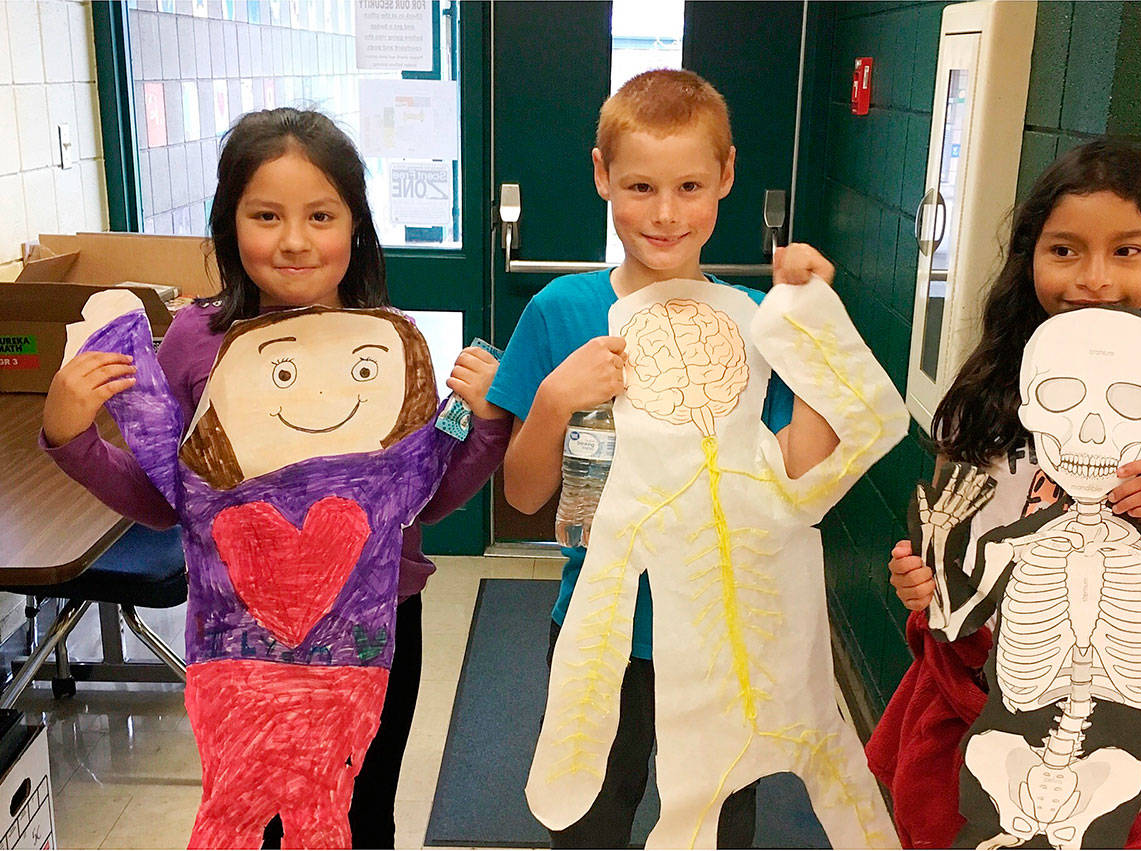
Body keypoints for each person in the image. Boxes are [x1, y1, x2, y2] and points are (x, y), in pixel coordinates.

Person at [40, 107, 510, 848]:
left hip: (374, 631)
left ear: (355, 226)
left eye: (320, 214)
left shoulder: (385, 348)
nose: (294, 239)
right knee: (253, 817)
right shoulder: (198, 341)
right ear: (231, 225)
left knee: (361, 814)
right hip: (241, 646)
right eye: (266, 215)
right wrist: (71, 437)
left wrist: (482, 423)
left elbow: (426, 497)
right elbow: (167, 501)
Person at [486, 69, 841, 848]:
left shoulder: (754, 323)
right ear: (602, 175)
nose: (666, 212)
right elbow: (520, 494)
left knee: (717, 825)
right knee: (588, 819)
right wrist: (553, 400)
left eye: (689, 185)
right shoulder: (560, 310)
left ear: (727, 176)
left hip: (724, 637)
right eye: (641, 186)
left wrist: (816, 340)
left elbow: (800, 473)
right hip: (597, 628)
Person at [868, 139, 1141, 849]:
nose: (1094, 278)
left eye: (1127, 250)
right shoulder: (986, 390)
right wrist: (922, 577)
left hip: (1125, 707)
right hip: (979, 682)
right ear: (1029, 256)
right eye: (1064, 250)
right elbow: (950, 557)